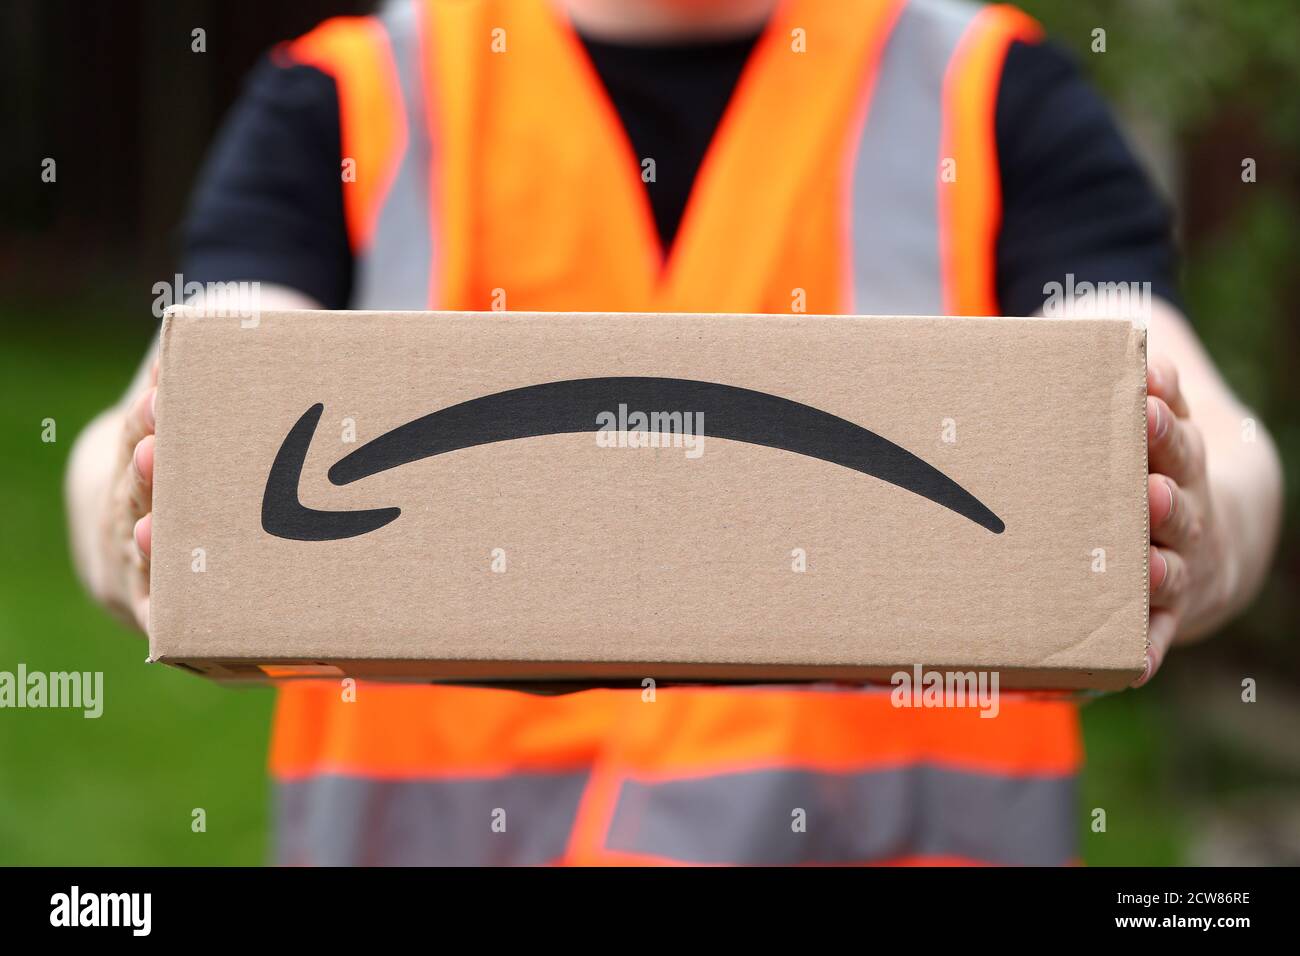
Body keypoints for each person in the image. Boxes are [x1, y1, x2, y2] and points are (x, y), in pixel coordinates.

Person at [66, 0, 1282, 865]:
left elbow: (1178, 401)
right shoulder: (352, 91)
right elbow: (195, 382)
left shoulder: (986, 85)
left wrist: (1197, 523)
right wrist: (139, 504)